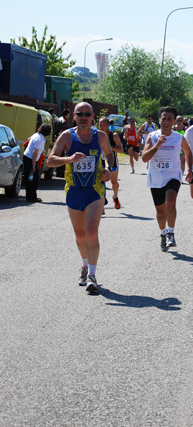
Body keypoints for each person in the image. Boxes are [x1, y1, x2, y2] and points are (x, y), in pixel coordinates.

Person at [47, 102, 114, 294]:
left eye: (87, 114)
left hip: (95, 190)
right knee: (79, 234)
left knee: (91, 231)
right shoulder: (67, 136)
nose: (83, 117)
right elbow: (50, 160)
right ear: (74, 116)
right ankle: (84, 266)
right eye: (79, 114)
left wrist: (109, 169)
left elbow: (109, 155)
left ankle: (92, 275)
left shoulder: (100, 136)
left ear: (93, 116)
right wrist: (69, 159)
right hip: (74, 190)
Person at [142, 106, 193, 252]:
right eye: (164, 118)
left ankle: (171, 233)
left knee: (171, 201)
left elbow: (188, 152)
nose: (166, 121)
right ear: (159, 120)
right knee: (160, 212)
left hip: (173, 174)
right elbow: (145, 158)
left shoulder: (178, 138)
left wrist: (189, 170)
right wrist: (157, 146)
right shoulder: (152, 137)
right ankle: (163, 234)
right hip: (156, 177)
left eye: (169, 119)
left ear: (174, 122)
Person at [23, 124, 52, 203]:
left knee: (30, 178)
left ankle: (30, 196)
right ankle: (32, 197)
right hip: (31, 159)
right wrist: (34, 165)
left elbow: (29, 139)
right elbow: (34, 153)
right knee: (34, 179)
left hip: (27, 156)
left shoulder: (36, 134)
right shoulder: (40, 139)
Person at [99, 116, 123, 209]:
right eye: (100, 125)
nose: (101, 127)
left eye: (104, 125)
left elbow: (120, 150)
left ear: (108, 125)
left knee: (114, 183)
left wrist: (108, 147)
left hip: (112, 161)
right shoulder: (97, 135)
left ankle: (115, 196)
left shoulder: (114, 135)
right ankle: (102, 205)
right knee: (101, 183)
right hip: (100, 161)